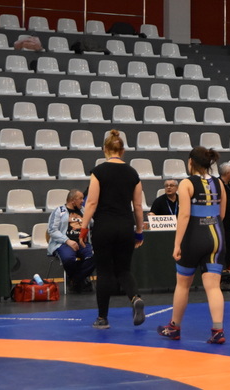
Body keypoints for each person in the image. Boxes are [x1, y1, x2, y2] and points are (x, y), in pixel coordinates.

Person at [158, 146, 228, 344]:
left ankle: (174, 327)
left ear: (191, 162)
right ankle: (218, 331)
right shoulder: (219, 183)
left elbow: (184, 215)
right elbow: (222, 214)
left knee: (183, 284)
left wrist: (177, 244)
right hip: (216, 237)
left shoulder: (187, 183)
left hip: (194, 237)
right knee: (213, 287)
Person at [79, 129, 146, 330]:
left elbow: (91, 202)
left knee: (105, 272)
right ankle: (135, 298)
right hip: (125, 226)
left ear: (104, 150)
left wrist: (83, 227)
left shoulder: (98, 172)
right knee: (124, 270)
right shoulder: (133, 173)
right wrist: (139, 231)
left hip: (104, 227)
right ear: (123, 151)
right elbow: (138, 206)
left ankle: (102, 318)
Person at [47, 189, 95, 293]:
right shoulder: (59, 211)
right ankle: (80, 281)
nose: (83, 201)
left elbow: (92, 224)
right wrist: (67, 241)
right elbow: (52, 230)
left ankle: (75, 280)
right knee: (68, 259)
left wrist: (89, 214)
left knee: (95, 257)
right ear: (72, 200)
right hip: (64, 243)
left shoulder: (83, 210)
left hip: (82, 242)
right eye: (80, 198)